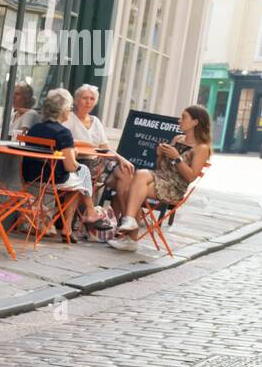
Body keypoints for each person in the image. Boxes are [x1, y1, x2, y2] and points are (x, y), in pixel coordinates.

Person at [109, 105, 212, 251]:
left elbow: (190, 177)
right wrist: (160, 154)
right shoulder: (177, 138)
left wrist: (177, 157)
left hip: (174, 186)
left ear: (195, 122)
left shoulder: (201, 147)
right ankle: (130, 222)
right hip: (160, 176)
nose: (179, 120)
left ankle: (130, 236)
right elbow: (160, 166)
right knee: (139, 176)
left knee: (131, 190)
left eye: (183, 117)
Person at [21, 88, 105, 227]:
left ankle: (71, 225)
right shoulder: (63, 133)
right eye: (69, 108)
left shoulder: (34, 129)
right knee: (83, 172)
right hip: (52, 179)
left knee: (79, 180)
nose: (70, 110)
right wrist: (74, 155)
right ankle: (82, 217)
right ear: (64, 110)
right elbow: (70, 166)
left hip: (30, 176)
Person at [66, 83, 133, 212]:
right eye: (85, 98)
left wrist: (121, 159)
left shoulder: (95, 121)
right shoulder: (69, 117)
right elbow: (65, 140)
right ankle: (121, 216)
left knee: (126, 171)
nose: (88, 102)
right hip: (79, 162)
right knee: (120, 178)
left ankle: (125, 216)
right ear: (76, 100)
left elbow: (105, 148)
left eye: (92, 99)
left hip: (99, 163)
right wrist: (89, 145)